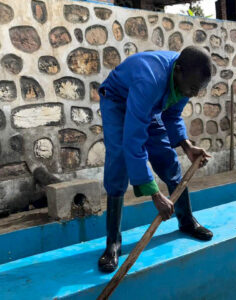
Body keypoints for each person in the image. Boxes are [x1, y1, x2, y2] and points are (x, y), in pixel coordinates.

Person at [98, 46, 213, 273]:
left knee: (167, 157)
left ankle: (187, 220)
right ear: (178, 71)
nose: (191, 94)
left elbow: (171, 115)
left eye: (197, 91)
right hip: (117, 101)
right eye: (191, 89)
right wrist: (153, 193)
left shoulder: (185, 82)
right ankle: (113, 242)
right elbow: (134, 140)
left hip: (147, 106)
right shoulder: (150, 80)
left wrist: (187, 146)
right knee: (120, 158)